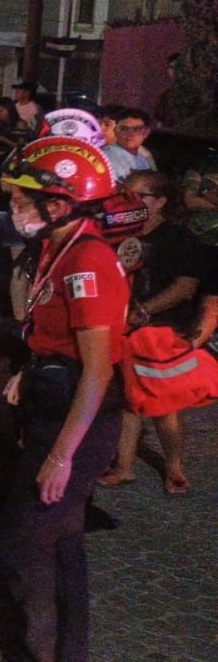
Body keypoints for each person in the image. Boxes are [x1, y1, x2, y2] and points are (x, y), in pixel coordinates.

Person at [0, 136, 128, 662]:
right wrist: (30, 369)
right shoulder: (57, 247)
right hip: (51, 405)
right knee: (59, 540)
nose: (12, 207)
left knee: (24, 542)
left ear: (57, 204)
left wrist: (63, 455)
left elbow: (98, 366)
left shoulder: (88, 262)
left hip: (76, 421)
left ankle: (46, 651)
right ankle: (63, 651)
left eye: (21, 199)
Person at [99, 170, 198, 494]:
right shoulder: (117, 232)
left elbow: (185, 286)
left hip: (160, 328)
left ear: (160, 202)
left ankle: (174, 468)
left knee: (163, 404)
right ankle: (124, 467)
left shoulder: (178, 238)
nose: (130, 200)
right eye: (126, 192)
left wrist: (143, 311)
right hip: (122, 325)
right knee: (128, 400)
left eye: (140, 195)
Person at [101, 106, 156, 177]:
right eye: (124, 129)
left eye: (136, 129)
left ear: (146, 133)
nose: (130, 134)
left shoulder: (142, 159)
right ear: (116, 130)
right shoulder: (106, 157)